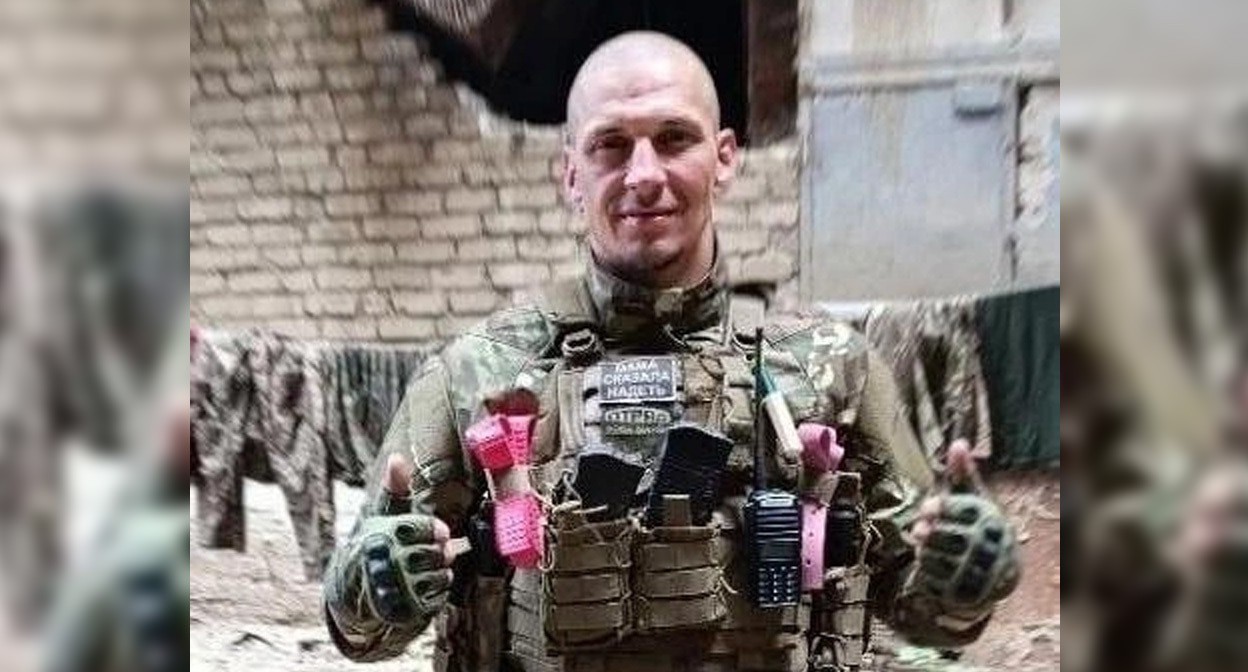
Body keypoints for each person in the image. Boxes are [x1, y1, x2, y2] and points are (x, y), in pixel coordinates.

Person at [323, 31, 1019, 672]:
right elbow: (361, 632)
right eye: (611, 145)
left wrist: (964, 582)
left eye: (674, 138)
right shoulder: (479, 372)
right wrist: (372, 588)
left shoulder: (831, 365)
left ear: (725, 157)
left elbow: (921, 613)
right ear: (571, 174)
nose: (644, 174)